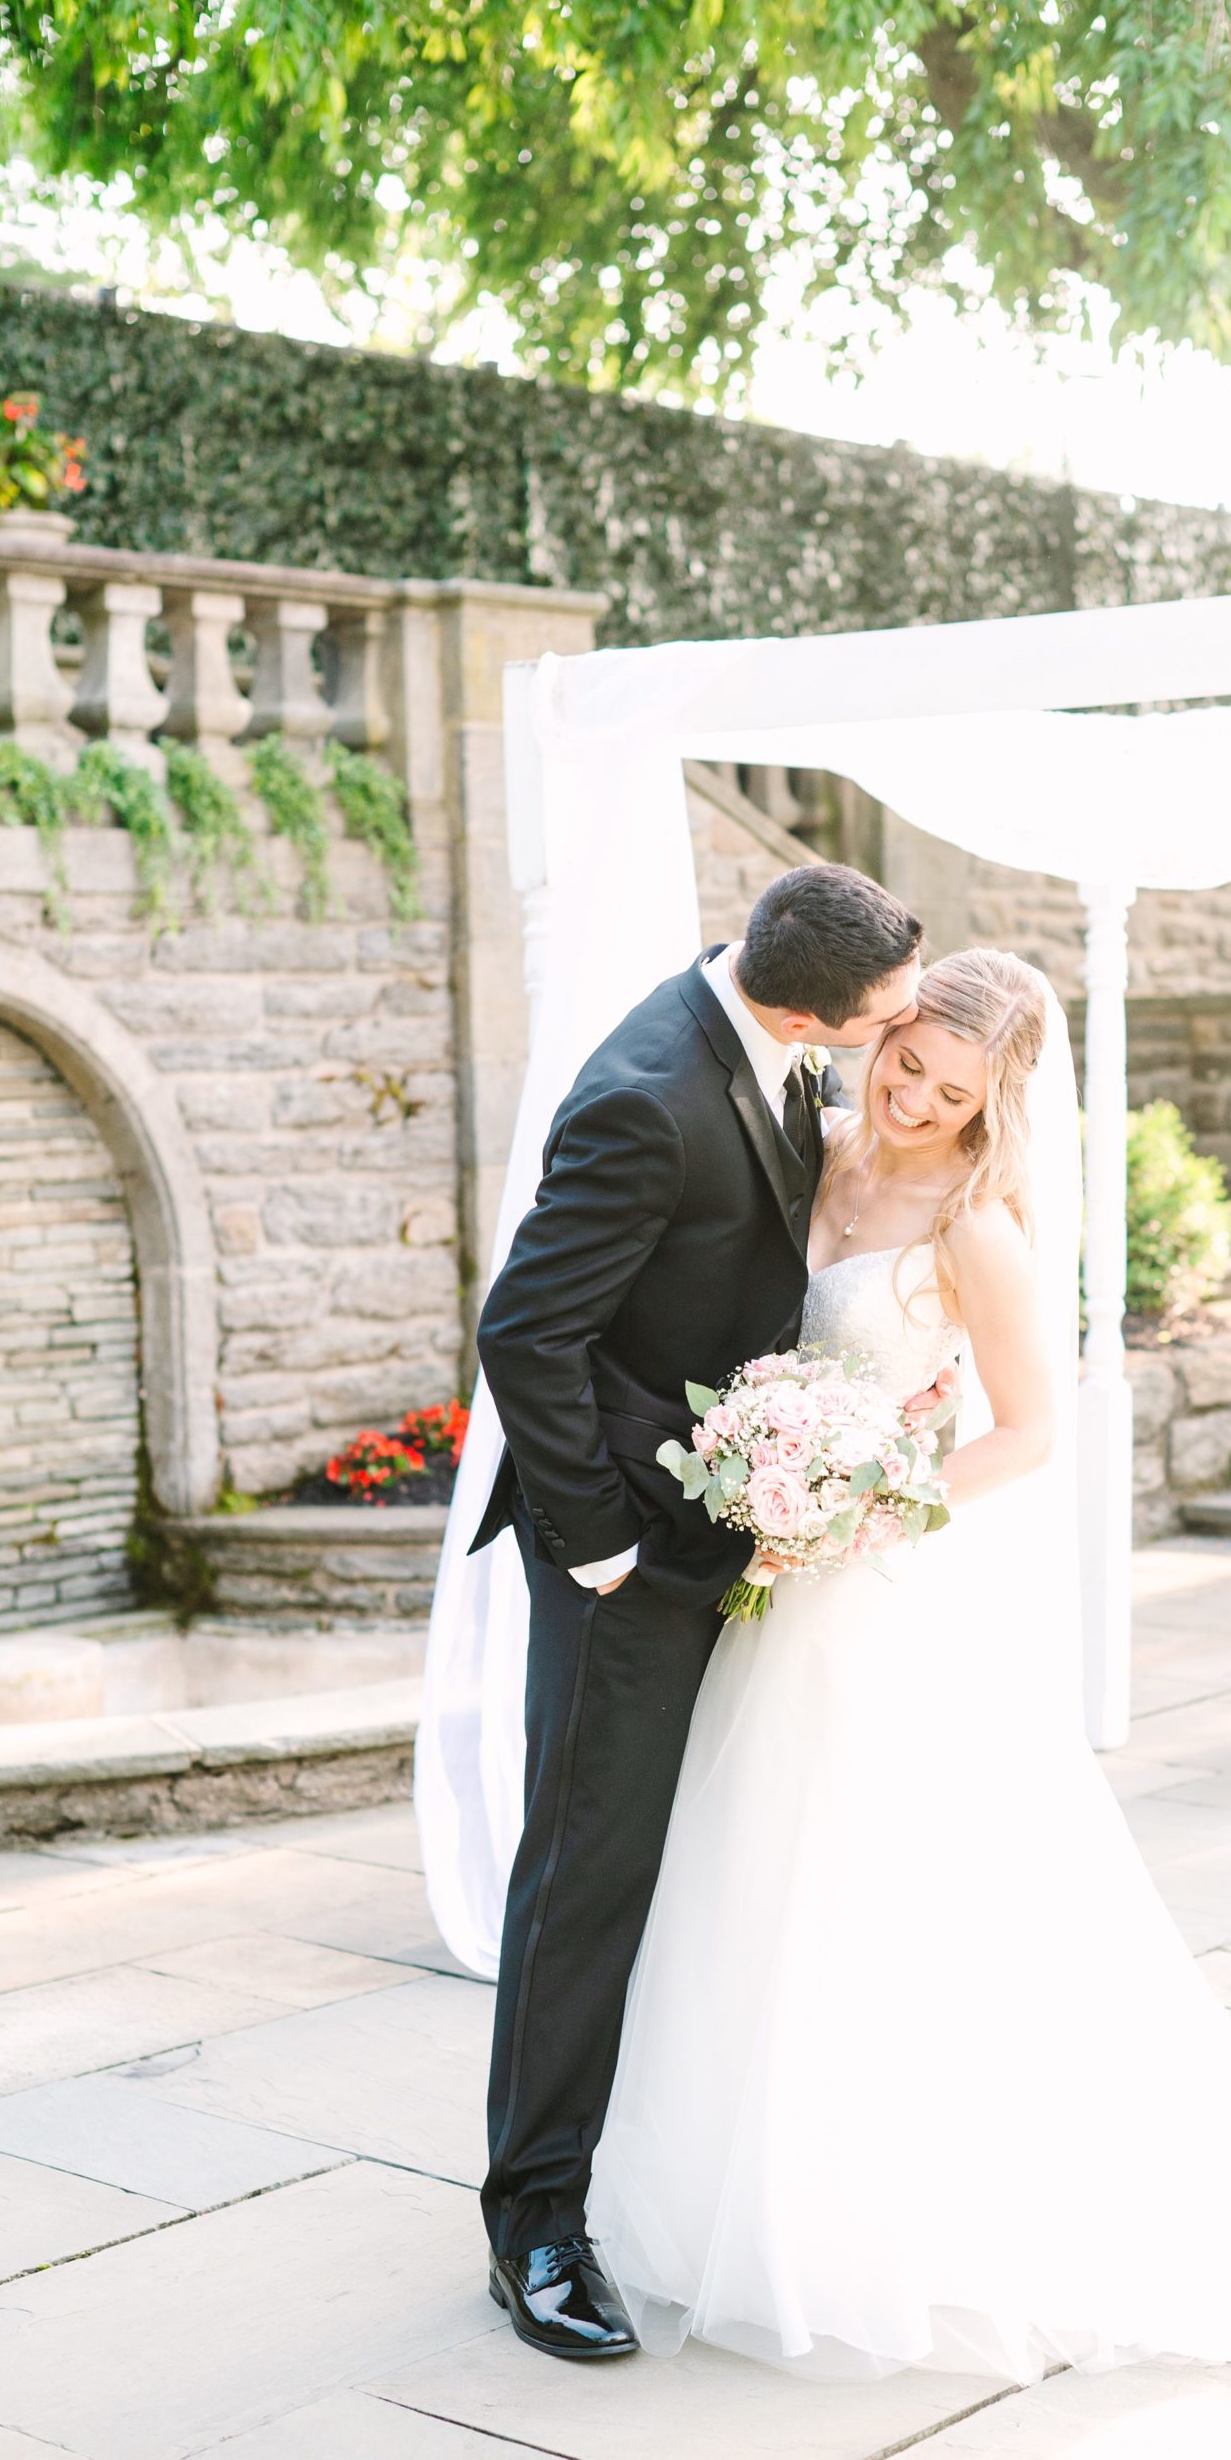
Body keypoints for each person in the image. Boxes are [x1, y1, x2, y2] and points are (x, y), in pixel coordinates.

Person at [586, 947, 1231, 2382]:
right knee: (740, 1870)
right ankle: (722, 2167)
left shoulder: (975, 1230)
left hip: (864, 1576)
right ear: (880, 1037)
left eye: (951, 1094)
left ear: (993, 1102)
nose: (914, 1104)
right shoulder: (801, 1151)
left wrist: (866, 1499)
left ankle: (876, 2205)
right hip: (761, 1583)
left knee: (871, 1886)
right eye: (905, 1066)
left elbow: (1028, 1431)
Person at [470, 863, 926, 2359]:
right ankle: (534, 2227)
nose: (899, 1039)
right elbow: (528, 1332)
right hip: (625, 1557)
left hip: (733, 1523)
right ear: (803, 1004)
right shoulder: (650, 1096)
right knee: (584, 1880)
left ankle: (656, 2170)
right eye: (886, 1025)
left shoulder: (770, 1036)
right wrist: (596, 1548)